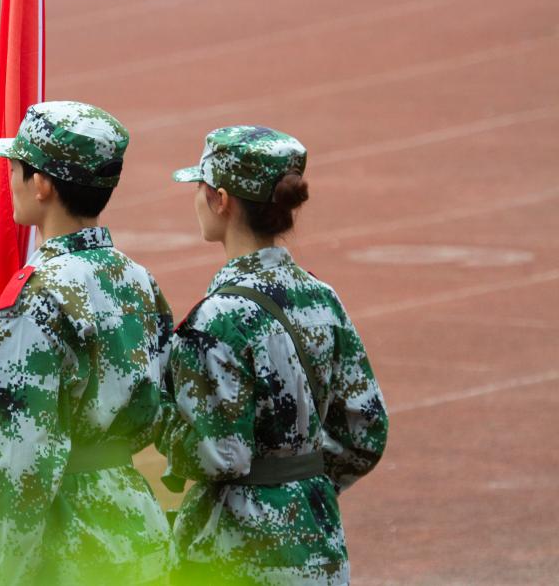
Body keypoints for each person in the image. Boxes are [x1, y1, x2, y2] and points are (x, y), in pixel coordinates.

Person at [159, 126, 389, 585]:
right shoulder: (321, 297)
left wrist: (159, 423)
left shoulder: (218, 316)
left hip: (234, 555)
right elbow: (367, 428)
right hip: (316, 543)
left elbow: (219, 453)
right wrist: (301, 480)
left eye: (200, 187)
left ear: (221, 200)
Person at [0, 101, 173, 586]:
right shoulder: (136, 278)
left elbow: (21, 462)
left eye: (15, 167)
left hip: (67, 544)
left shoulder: (33, 298)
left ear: (43, 184)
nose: (9, 179)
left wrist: (5, 574)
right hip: (138, 522)